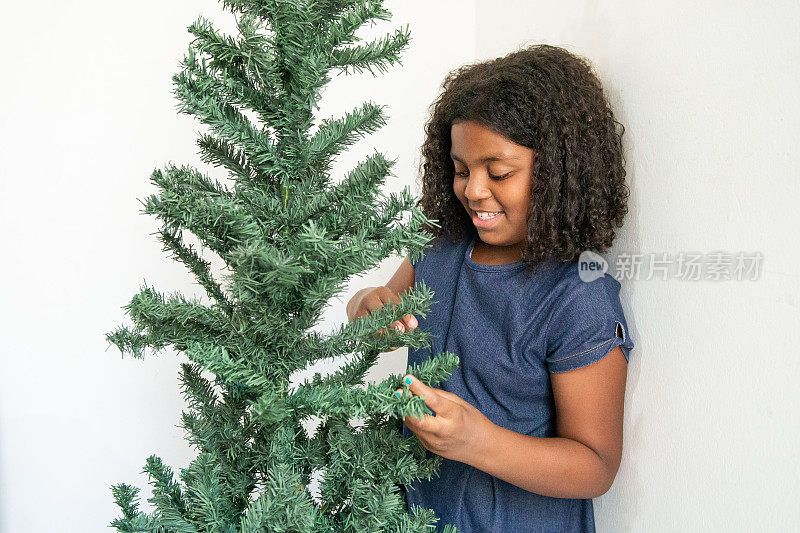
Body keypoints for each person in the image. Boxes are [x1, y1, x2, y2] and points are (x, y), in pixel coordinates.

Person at [347, 44, 634, 532]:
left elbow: (595, 466)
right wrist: (368, 310)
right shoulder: (440, 247)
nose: (473, 190)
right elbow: (376, 309)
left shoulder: (578, 296)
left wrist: (477, 442)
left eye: (498, 173)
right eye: (461, 169)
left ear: (561, 175)